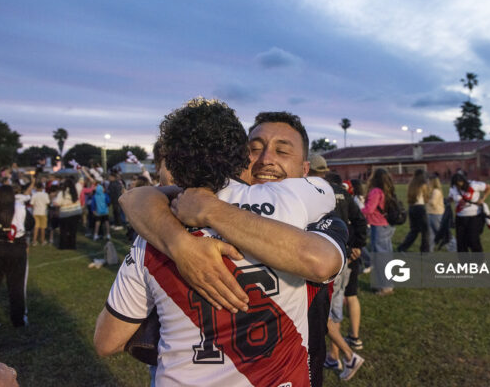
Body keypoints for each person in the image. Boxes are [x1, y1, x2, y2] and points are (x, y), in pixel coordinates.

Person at [95, 100, 346, 386]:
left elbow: (107, 342)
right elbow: (134, 199)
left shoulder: (155, 227)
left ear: (304, 169)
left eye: (282, 150)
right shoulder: (297, 204)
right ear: (240, 156)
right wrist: (180, 244)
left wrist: (205, 214)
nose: (265, 159)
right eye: (255, 148)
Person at [307, 157, 366, 381]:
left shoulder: (312, 192)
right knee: (335, 309)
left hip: (322, 261)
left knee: (320, 313)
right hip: (343, 259)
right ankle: (333, 355)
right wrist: (357, 246)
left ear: (308, 169)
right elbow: (360, 220)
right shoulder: (342, 192)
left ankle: (349, 355)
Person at [0, 185, 29, 329]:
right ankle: (17, 319)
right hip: (16, 248)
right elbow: (30, 223)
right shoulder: (20, 208)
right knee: (16, 286)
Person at [361, 168, 396, 295]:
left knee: (380, 257)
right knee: (386, 256)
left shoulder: (376, 191)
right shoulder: (387, 191)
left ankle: (385, 286)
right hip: (387, 225)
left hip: (379, 226)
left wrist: (356, 211)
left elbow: (369, 209)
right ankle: (386, 284)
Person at [449, 173, 490, 252]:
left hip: (474, 217)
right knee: (461, 242)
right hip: (460, 217)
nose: (458, 187)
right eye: (456, 185)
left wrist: (483, 198)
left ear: (463, 181)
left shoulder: (473, 185)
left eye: (459, 184)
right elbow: (451, 198)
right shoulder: (453, 188)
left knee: (473, 239)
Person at [397, 169, 430, 253]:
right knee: (425, 231)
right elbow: (426, 197)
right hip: (420, 208)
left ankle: (402, 248)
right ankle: (424, 250)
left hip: (412, 208)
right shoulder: (423, 184)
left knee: (414, 231)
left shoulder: (411, 184)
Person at [54, 178, 82, 249]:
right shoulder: (76, 191)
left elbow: (57, 203)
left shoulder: (62, 193)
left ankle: (63, 245)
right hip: (76, 212)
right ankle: (72, 245)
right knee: (73, 231)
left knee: (64, 231)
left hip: (65, 213)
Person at [426, 173, 445, 252]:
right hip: (430, 213)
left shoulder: (436, 191)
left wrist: (426, 199)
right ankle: (429, 250)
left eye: (429, 181)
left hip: (436, 214)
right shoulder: (432, 191)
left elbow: (433, 203)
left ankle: (454, 247)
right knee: (430, 235)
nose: (427, 182)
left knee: (442, 233)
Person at [30, 181, 50, 246]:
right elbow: (48, 202)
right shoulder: (45, 194)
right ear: (42, 187)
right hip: (43, 212)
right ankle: (42, 240)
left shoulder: (34, 195)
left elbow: (32, 204)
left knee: (36, 227)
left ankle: (34, 241)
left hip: (35, 212)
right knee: (43, 227)